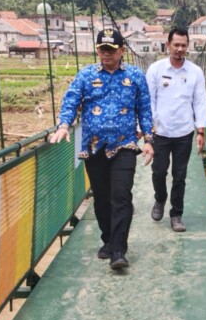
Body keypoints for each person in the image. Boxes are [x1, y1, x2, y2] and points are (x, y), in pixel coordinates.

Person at [48, 28, 154, 270]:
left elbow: (145, 110)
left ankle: (118, 250)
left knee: (121, 196)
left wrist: (149, 139)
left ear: (122, 51)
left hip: (124, 145)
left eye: (111, 50)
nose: (106, 54)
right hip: (94, 147)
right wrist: (64, 125)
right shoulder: (85, 75)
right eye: (102, 49)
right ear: (97, 50)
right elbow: (71, 100)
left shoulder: (136, 76)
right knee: (102, 199)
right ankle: (108, 240)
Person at [146, 28, 206, 232]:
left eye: (184, 45)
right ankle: (160, 199)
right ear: (168, 45)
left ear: (187, 46)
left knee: (180, 175)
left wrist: (201, 130)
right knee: (158, 172)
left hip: (184, 132)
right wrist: (149, 126)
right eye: (176, 45)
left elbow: (199, 102)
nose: (180, 49)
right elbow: (149, 100)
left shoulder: (195, 72)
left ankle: (176, 214)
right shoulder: (155, 69)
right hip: (160, 131)